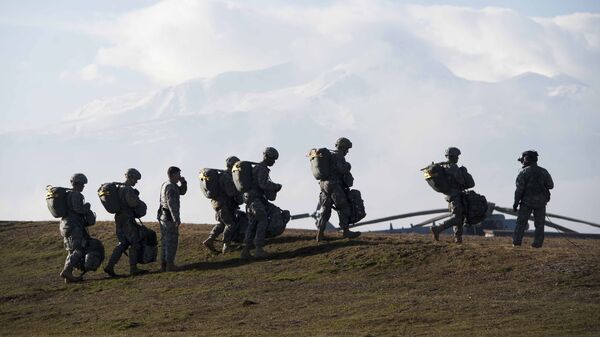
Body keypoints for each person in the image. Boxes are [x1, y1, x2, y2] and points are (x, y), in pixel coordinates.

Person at [104, 168, 148, 277]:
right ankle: (133, 269)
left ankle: (110, 266)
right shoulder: (128, 189)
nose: (136, 181)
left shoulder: (119, 188)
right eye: (135, 179)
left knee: (122, 243)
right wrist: (137, 198)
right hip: (127, 218)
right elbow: (132, 204)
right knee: (135, 243)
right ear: (130, 177)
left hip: (119, 218)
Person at [316, 137, 361, 242]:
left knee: (325, 210)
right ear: (342, 147)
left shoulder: (330, 155)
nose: (347, 151)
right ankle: (346, 231)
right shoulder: (338, 156)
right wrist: (348, 166)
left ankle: (320, 234)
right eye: (346, 149)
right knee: (343, 207)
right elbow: (341, 169)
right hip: (334, 185)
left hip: (324, 185)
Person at [240, 147, 282, 260]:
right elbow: (263, 184)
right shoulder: (261, 169)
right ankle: (258, 249)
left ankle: (245, 250)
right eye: (273, 159)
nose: (273, 162)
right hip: (255, 199)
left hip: (250, 199)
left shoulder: (257, 168)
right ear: (267, 157)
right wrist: (276, 186)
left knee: (252, 224)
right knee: (262, 220)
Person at [430, 147, 474, 244]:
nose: (458, 158)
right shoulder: (453, 168)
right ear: (454, 157)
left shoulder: (444, 166)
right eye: (457, 156)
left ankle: (458, 239)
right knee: (457, 218)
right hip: (456, 196)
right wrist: (464, 173)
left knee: (460, 217)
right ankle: (438, 228)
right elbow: (461, 181)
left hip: (451, 195)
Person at [512, 150, 554, 248]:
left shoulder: (523, 173)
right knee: (539, 224)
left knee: (521, 223)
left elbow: (519, 190)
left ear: (527, 159)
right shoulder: (544, 171)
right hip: (541, 203)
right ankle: (537, 244)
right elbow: (551, 185)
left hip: (526, 203)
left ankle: (516, 242)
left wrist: (515, 203)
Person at [203, 156, 243, 254]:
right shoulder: (226, 176)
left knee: (222, 224)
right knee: (231, 225)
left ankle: (210, 240)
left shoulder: (224, 175)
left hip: (220, 204)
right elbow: (230, 192)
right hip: (224, 204)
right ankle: (226, 246)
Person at [59, 173, 91, 283]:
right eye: (82, 184)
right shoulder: (76, 195)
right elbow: (79, 209)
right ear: (79, 183)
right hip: (74, 226)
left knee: (71, 251)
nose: (83, 186)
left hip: (65, 226)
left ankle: (69, 276)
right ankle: (67, 271)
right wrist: (87, 207)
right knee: (79, 250)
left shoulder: (67, 194)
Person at [158, 166, 187, 271]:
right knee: (171, 241)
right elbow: (171, 204)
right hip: (169, 218)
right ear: (174, 174)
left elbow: (182, 192)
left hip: (163, 216)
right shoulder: (170, 187)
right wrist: (176, 218)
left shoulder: (166, 185)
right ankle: (169, 265)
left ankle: (164, 265)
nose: (180, 176)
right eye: (178, 174)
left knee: (165, 241)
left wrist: (183, 183)